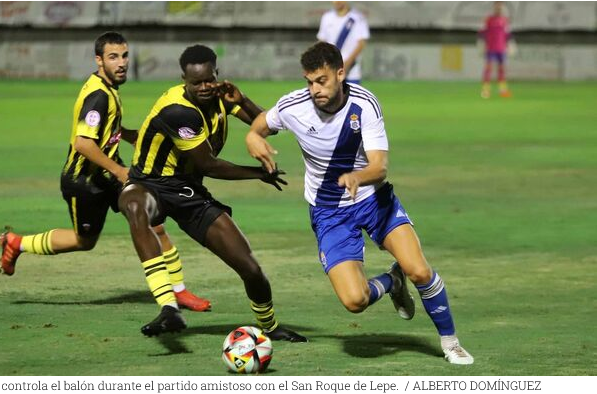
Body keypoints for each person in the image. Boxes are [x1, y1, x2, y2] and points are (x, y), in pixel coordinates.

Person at [245, 42, 474, 364]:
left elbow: (379, 166)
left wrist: (357, 177)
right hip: (328, 213)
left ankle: (451, 343)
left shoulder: (364, 104)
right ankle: (392, 281)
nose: (314, 89)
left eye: (321, 80)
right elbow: (258, 127)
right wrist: (253, 139)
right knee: (355, 300)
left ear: (340, 73)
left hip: (373, 200)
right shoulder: (292, 105)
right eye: (309, 81)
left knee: (420, 271)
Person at [0, 31, 210, 312]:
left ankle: (178, 290)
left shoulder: (107, 88)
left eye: (124, 56)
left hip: (108, 176)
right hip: (85, 181)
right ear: (99, 60)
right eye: (113, 57)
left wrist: (129, 135)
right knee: (83, 241)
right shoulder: (98, 95)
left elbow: (101, 130)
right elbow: (83, 143)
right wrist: (119, 170)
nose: (121, 63)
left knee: (153, 220)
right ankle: (16, 243)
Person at [118, 44, 307, 342]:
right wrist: (258, 173)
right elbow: (208, 164)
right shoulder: (179, 111)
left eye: (209, 80)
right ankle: (168, 308)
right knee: (133, 205)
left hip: (189, 191)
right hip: (150, 183)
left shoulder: (220, 95)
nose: (204, 87)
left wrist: (241, 98)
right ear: (184, 80)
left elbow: (269, 125)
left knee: (250, 268)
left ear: (216, 74)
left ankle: (269, 326)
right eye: (196, 83)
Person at [317, 1, 370, 85]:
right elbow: (322, 42)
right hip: (331, 67)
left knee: (352, 97)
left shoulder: (357, 18)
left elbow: (361, 43)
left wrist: (346, 64)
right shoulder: (327, 17)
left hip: (352, 70)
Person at [479, 1, 514, 98]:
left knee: (501, 69)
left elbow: (508, 35)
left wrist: (510, 45)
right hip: (490, 48)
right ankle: (486, 91)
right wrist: (481, 44)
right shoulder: (488, 20)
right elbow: (482, 32)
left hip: (501, 49)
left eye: (500, 7)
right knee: (488, 69)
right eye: (497, 7)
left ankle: (502, 90)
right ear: (493, 8)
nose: (498, 9)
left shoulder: (505, 20)